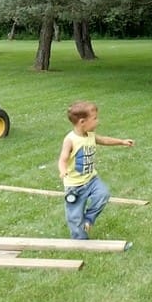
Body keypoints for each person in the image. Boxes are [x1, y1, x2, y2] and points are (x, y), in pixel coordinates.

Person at [57, 100, 135, 239]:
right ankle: (80, 240)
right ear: (82, 122)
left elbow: (104, 140)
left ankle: (89, 218)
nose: (97, 121)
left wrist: (121, 141)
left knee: (103, 194)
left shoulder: (91, 135)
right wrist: (63, 170)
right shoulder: (70, 140)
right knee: (75, 216)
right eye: (94, 118)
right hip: (75, 186)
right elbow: (63, 158)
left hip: (92, 180)